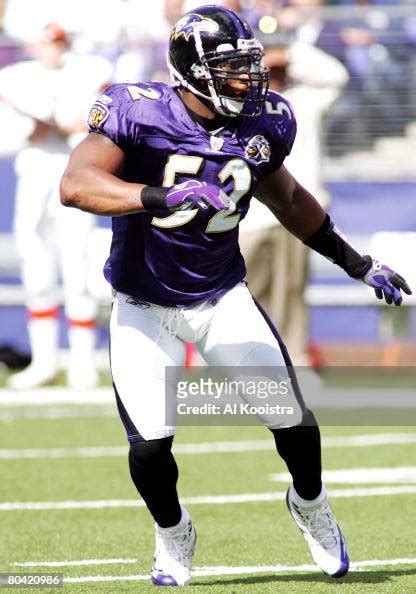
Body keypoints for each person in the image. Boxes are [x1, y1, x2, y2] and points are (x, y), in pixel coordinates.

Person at [60, 5, 411, 586]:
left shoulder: (265, 122)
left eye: (249, 66)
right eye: (231, 68)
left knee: (295, 425)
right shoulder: (136, 110)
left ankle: (310, 505)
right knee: (149, 449)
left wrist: (357, 262)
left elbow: (289, 200)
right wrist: (158, 198)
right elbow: (76, 184)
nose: (249, 80)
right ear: (194, 72)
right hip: (144, 304)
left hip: (221, 297)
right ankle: (173, 533)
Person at [1, 23, 112, 390]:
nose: (52, 50)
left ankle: (82, 362)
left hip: (71, 173)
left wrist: (67, 122)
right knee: (36, 264)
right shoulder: (17, 77)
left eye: (58, 43)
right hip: (34, 173)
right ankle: (44, 360)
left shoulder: (86, 71)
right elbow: (15, 132)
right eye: (48, 44)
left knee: (77, 262)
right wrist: (30, 126)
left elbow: (81, 121)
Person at [239, 35, 349, 363]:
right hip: (250, 217)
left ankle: (295, 363)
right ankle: (235, 367)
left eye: (280, 68)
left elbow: (336, 75)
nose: (275, 73)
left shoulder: (305, 99)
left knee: (291, 296)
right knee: (240, 295)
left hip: (298, 214)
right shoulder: (243, 105)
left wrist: (290, 51)